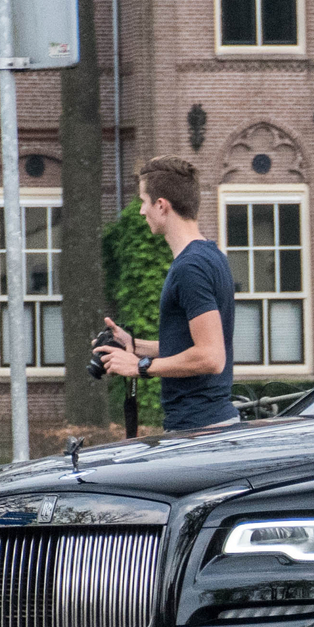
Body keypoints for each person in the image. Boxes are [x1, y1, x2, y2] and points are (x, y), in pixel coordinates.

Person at [94, 155, 240, 433]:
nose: (141, 211)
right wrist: (134, 345)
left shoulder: (190, 268)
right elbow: (192, 345)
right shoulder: (210, 256)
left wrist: (140, 366)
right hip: (206, 426)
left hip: (199, 431)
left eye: (143, 201)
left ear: (161, 205)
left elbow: (211, 357)